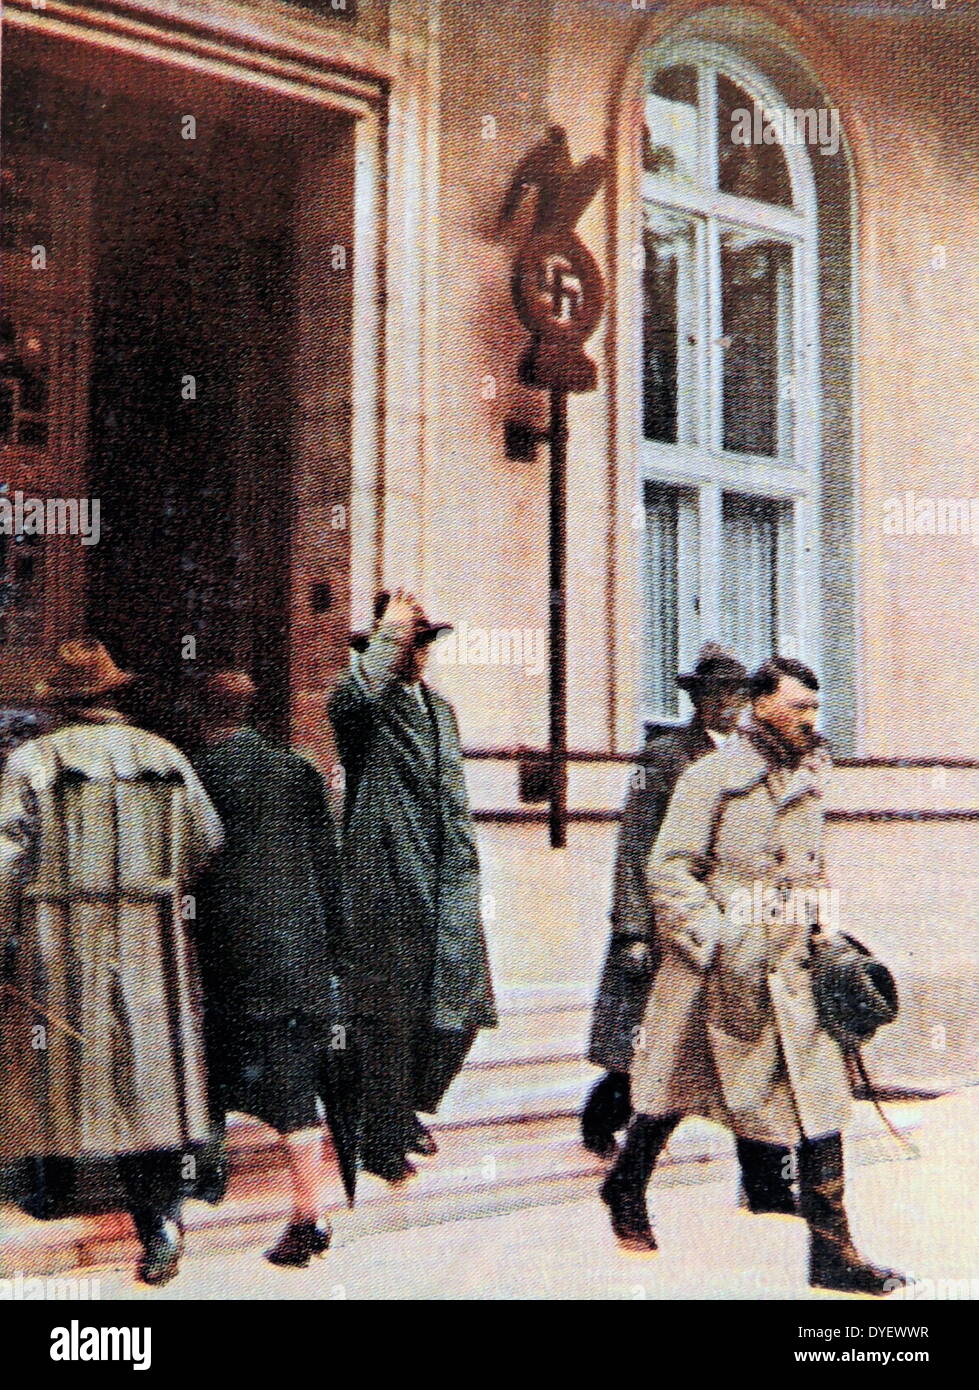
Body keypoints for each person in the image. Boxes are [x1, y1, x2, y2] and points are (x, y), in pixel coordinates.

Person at [600, 656, 906, 1295]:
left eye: (816, 709)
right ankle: (626, 1185)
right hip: (712, 973)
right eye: (799, 708)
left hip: (789, 969)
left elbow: (808, 868)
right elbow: (668, 870)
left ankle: (833, 1255)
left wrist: (824, 929)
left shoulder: (810, 782)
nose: (811, 720)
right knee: (670, 1095)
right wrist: (717, 941)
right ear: (762, 705)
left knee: (821, 1101)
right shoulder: (708, 778)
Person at [0, 639, 223, 1286]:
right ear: (112, 694)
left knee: (57, 1062)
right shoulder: (166, 758)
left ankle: (52, 1193)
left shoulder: (33, 762)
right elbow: (207, 840)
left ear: (62, 705)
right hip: (151, 938)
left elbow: (6, 858)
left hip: (58, 937)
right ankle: (157, 1224)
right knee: (147, 1075)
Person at [582, 645, 797, 1216]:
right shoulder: (668, 756)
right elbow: (635, 848)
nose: (729, 706)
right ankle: (604, 1118)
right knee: (646, 1039)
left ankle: (762, 1183)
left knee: (687, 1045)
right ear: (699, 699)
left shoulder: (751, 757)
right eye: (718, 696)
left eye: (737, 696)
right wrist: (632, 927)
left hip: (721, 927)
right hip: (662, 921)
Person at [328, 589, 498, 1183]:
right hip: (385, 879)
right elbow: (349, 698)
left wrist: (465, 870)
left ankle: (406, 1108)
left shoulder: (441, 708)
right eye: (407, 642)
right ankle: (381, 1139)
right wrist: (389, 632)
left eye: (424, 642)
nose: (417, 653)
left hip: (446, 873)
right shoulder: (362, 707)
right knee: (389, 1016)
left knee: (462, 1005)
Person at [192, 672, 358, 1266]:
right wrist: (336, 952)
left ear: (205, 715)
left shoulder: (201, 775)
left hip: (228, 954)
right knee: (293, 1086)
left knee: (203, 1064)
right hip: (299, 954)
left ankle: (208, 1179)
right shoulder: (300, 772)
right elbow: (331, 868)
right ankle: (305, 1211)